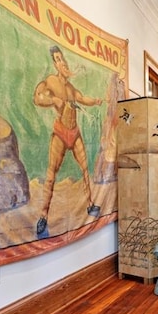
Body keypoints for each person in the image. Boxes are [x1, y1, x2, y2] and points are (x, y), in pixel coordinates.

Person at [34, 45, 103, 234]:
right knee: (51, 175)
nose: (61, 61)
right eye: (57, 59)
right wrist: (52, 101)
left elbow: (82, 98)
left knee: (85, 169)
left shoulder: (71, 88)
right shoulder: (51, 81)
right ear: (55, 64)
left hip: (75, 133)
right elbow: (37, 97)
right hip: (60, 132)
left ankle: (90, 204)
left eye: (62, 58)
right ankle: (43, 216)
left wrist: (95, 101)